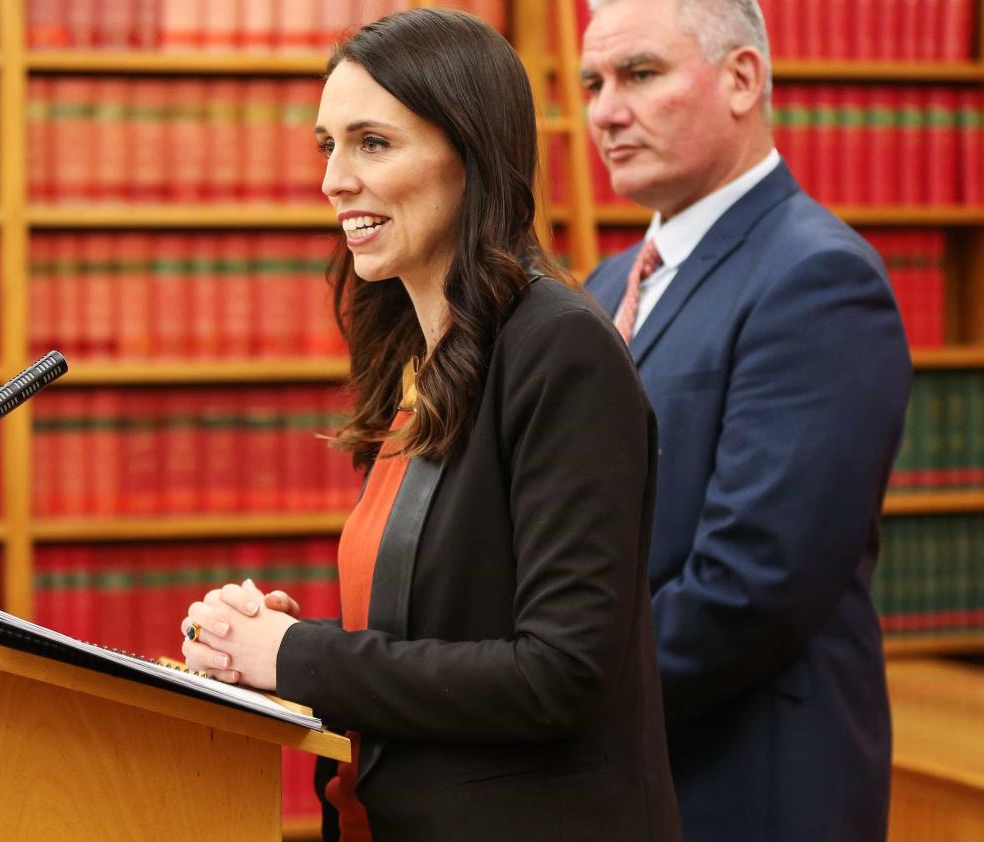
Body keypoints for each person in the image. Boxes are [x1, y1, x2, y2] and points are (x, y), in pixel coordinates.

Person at [178, 9, 681, 841]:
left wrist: (299, 654)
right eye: (326, 146)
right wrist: (267, 643)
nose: (335, 179)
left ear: (472, 155)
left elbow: (560, 673)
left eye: (372, 143)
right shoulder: (420, 355)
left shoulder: (559, 348)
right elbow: (443, 634)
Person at [576, 1, 911, 840]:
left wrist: (549, 687)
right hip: (615, 776)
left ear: (742, 79)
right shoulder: (604, 284)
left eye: (640, 74)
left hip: (748, 787)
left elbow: (752, 586)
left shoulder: (820, 277)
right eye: (592, 83)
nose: (606, 111)